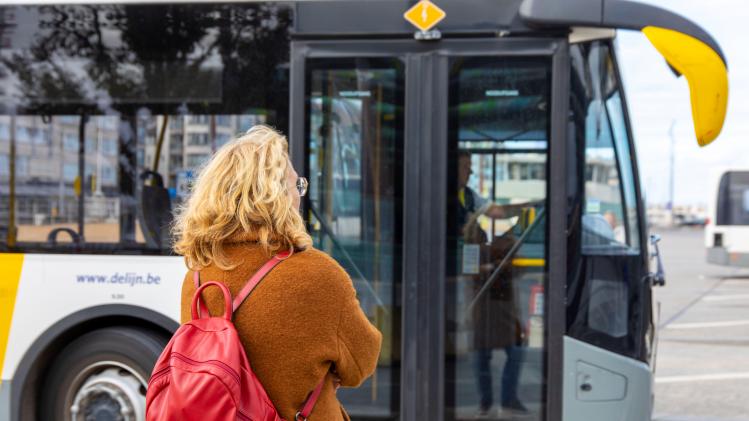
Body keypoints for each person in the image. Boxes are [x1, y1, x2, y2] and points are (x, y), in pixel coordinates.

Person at [173, 125, 382, 421]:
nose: (300, 197)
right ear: (275, 198)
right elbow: (361, 363)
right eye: (296, 187)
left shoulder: (196, 276)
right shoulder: (319, 275)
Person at [456, 153, 529, 417]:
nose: (499, 224)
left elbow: (515, 268)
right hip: (484, 301)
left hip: (503, 302)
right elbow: (470, 269)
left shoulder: (507, 240)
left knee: (515, 350)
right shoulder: (475, 236)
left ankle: (506, 398)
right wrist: (490, 269)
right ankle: (487, 402)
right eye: (494, 219)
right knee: (483, 354)